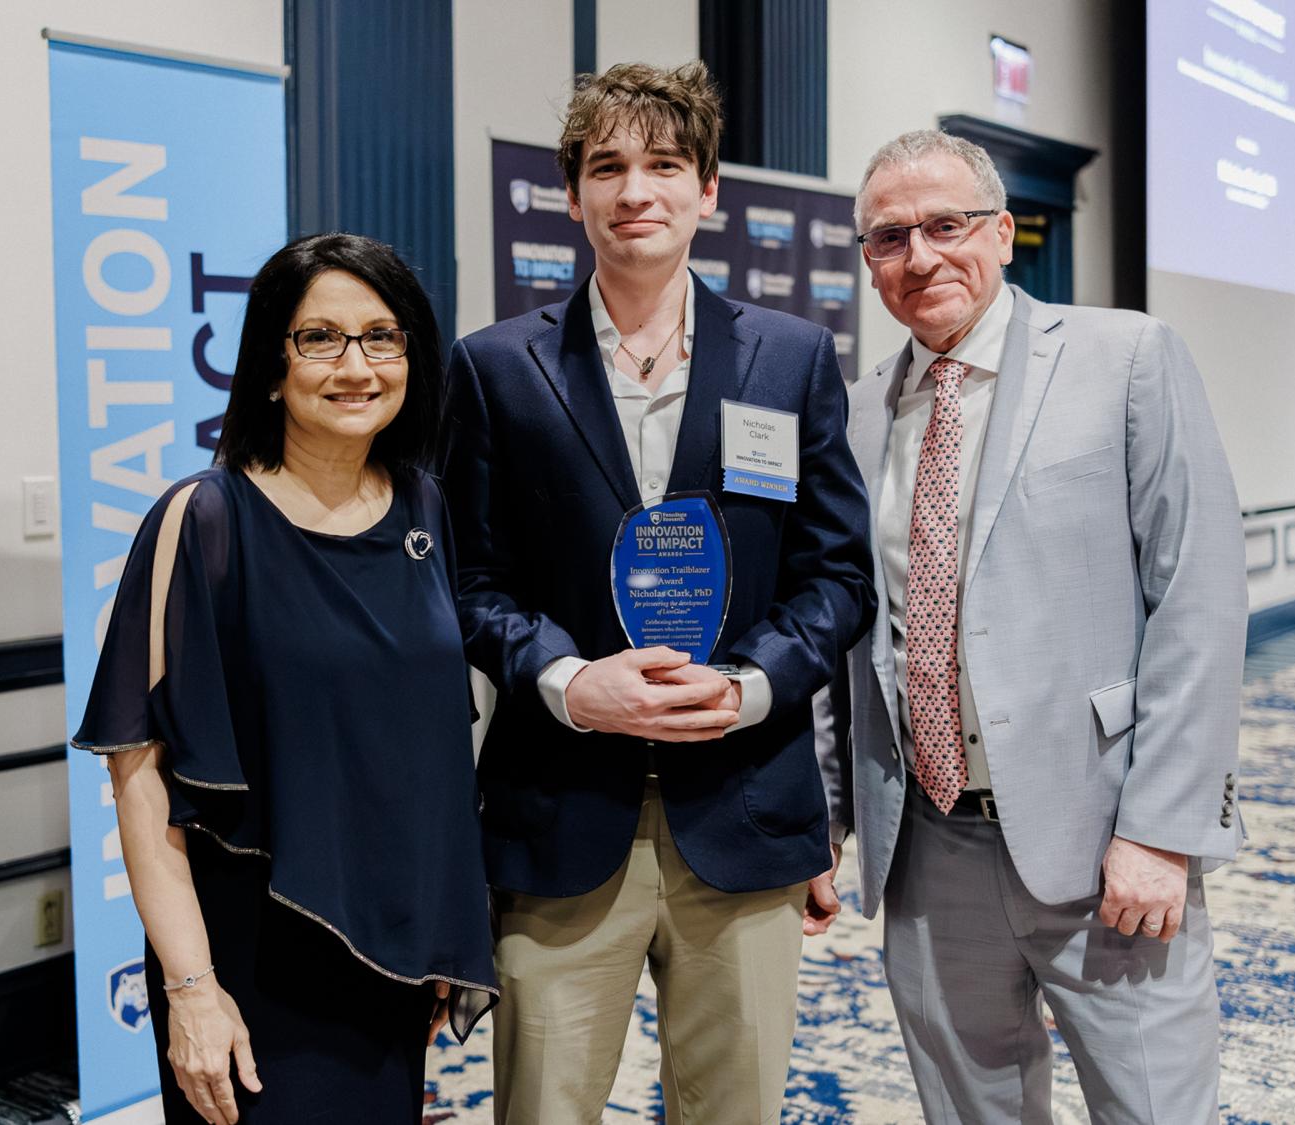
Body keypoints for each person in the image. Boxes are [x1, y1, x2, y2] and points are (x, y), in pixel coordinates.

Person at [442, 61, 874, 1125]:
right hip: (557, 818)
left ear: (708, 190)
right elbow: (468, 578)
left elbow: (837, 574)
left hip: (745, 810)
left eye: (664, 165)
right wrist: (567, 677)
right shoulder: (495, 368)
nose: (636, 189)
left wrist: (752, 689)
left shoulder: (792, 358)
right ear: (574, 194)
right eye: (608, 167)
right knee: (542, 1110)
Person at [813, 128, 1247, 1124]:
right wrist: (827, 820)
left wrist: (1162, 831)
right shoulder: (857, 414)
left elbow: (1201, 598)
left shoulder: (1126, 356)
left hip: (1103, 841)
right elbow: (851, 639)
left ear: (1004, 233)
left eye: (946, 225)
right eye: (888, 238)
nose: (919, 257)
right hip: (928, 848)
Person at [72, 233, 497, 1125]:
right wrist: (191, 989)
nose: (357, 365)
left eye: (382, 337)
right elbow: (138, 776)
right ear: (272, 366)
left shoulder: (423, 504)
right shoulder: (204, 520)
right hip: (249, 961)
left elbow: (422, 751)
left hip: (386, 953)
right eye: (321, 339)